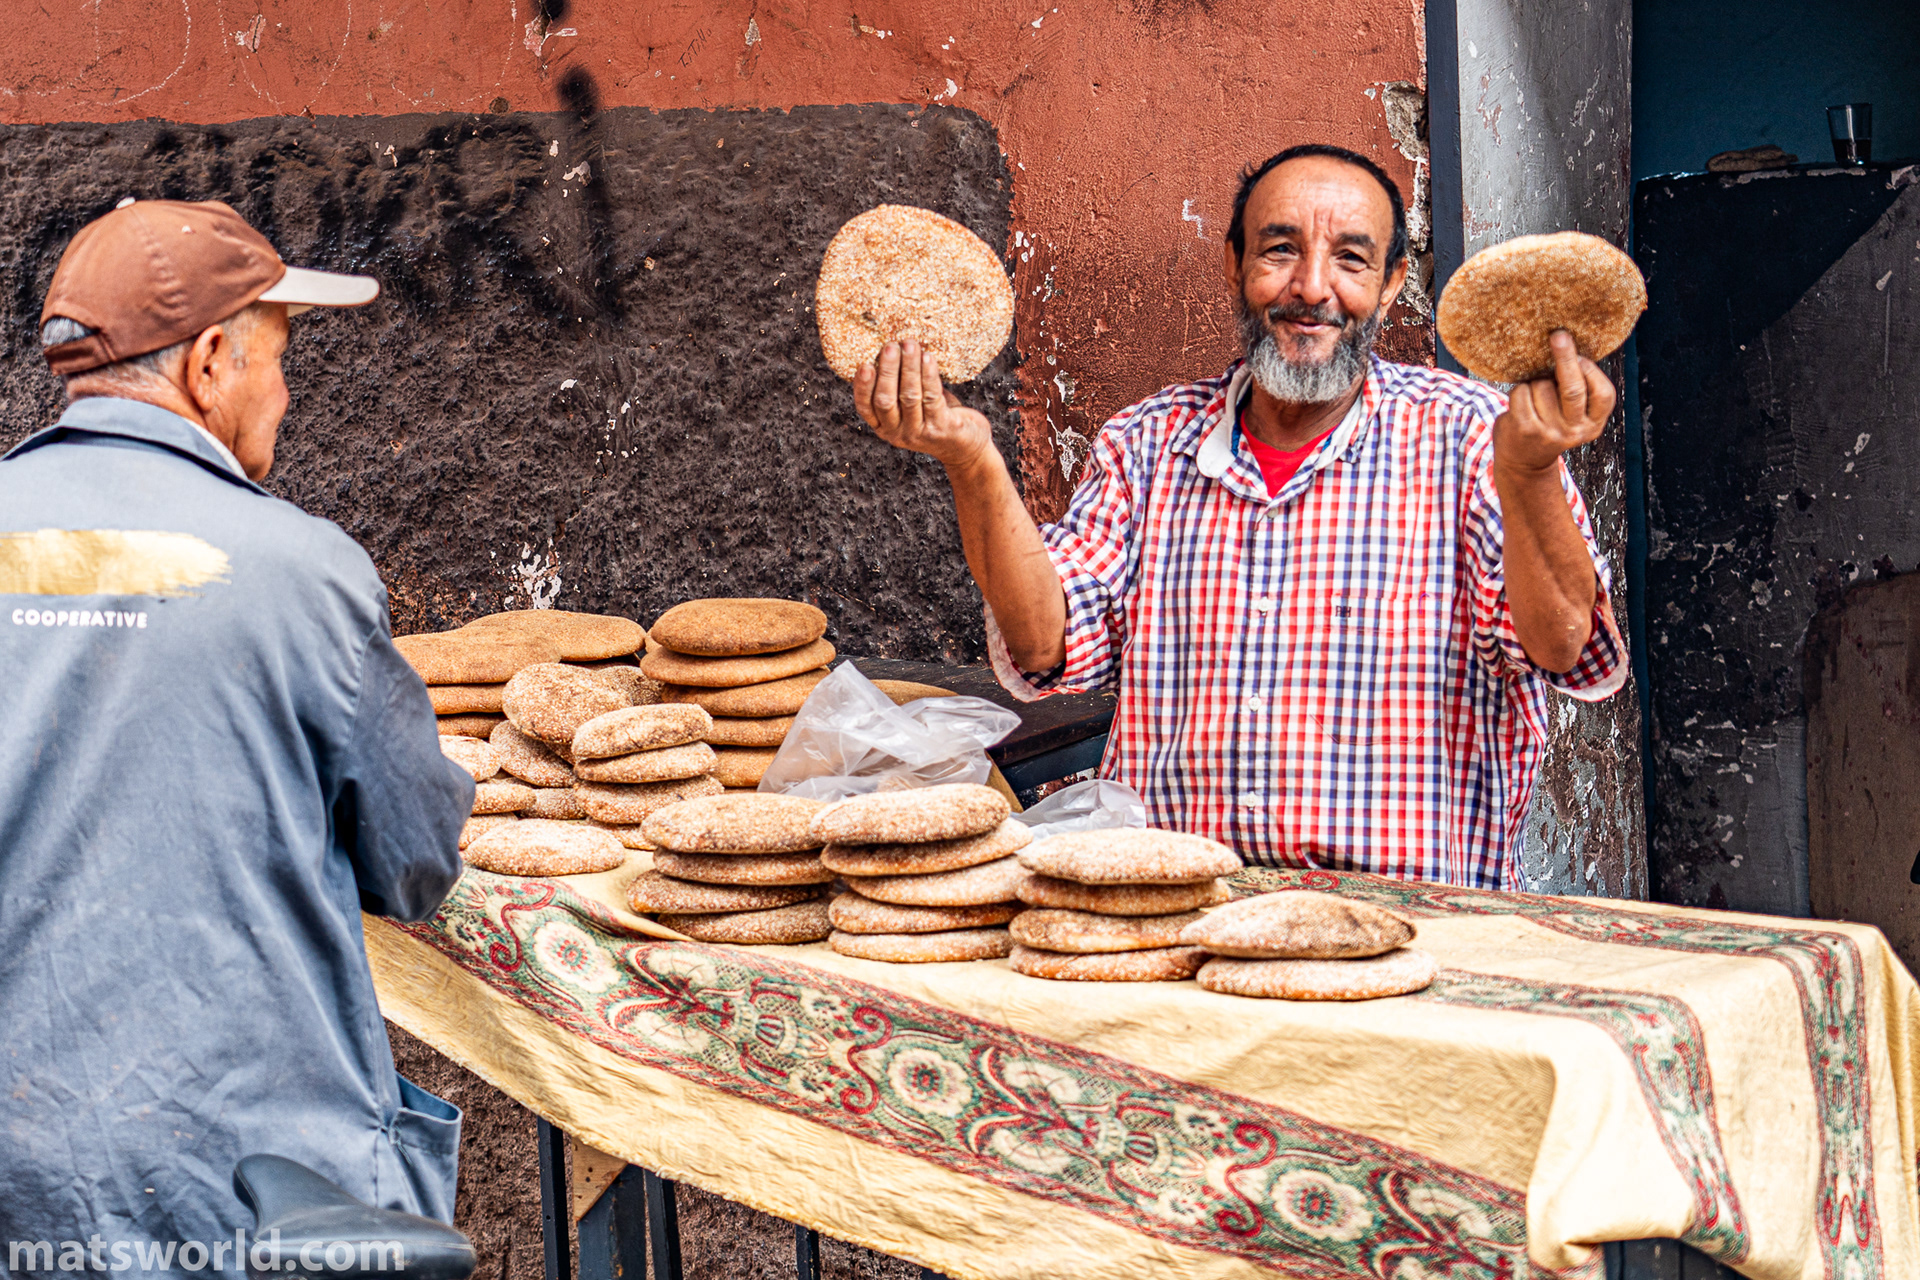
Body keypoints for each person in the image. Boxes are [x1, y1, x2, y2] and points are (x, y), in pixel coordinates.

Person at [856, 144, 1626, 889]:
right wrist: (973, 461)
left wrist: (1530, 470)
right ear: (1234, 265)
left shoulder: (1473, 437)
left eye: (1352, 260)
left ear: (1392, 285)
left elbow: (1561, 649)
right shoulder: (1147, 441)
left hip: (1415, 927)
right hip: (1174, 912)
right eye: (1279, 250)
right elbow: (1044, 643)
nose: (1312, 288)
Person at [0, 200, 473, 1265]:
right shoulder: (301, 572)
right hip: (246, 1190)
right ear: (211, 361)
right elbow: (413, 863)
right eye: (281, 358)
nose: (287, 393)